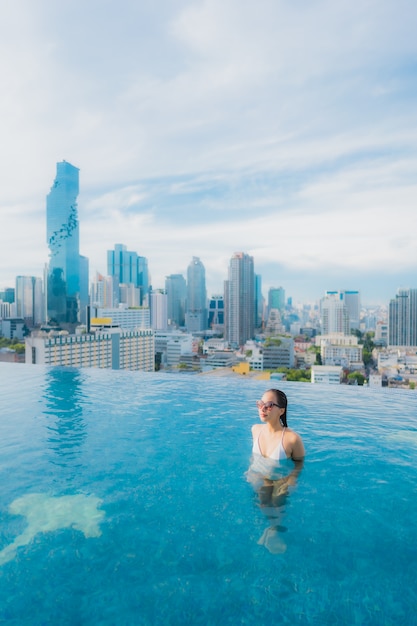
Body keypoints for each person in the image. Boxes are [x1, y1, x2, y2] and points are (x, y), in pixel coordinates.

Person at [247, 388, 305, 554]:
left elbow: (299, 463)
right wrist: (249, 469)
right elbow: (254, 457)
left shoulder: (292, 439)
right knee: (263, 502)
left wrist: (293, 478)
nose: (263, 409)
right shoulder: (255, 430)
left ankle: (275, 531)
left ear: (281, 410)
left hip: (281, 477)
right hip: (260, 475)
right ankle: (270, 528)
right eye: (260, 404)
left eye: (269, 405)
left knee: (277, 501)